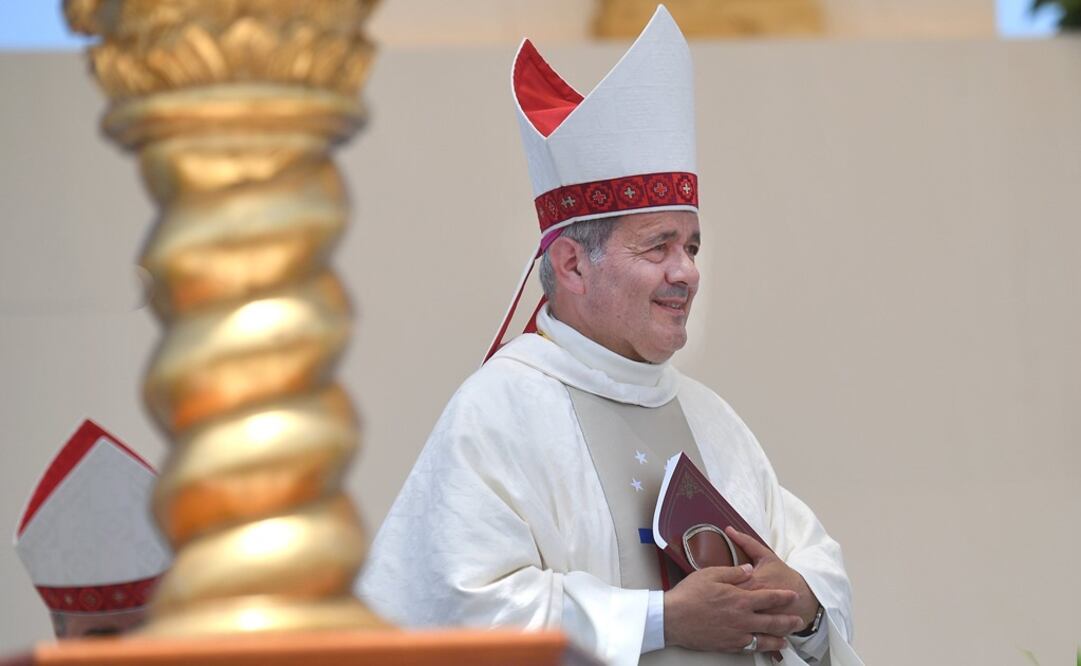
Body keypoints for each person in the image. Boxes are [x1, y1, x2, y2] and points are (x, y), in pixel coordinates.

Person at [359, 6, 863, 665]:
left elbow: (812, 566)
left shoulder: (711, 421)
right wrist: (661, 621)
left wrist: (801, 604)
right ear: (571, 264)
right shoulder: (499, 412)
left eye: (691, 246)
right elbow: (448, 613)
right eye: (657, 247)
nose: (685, 271)